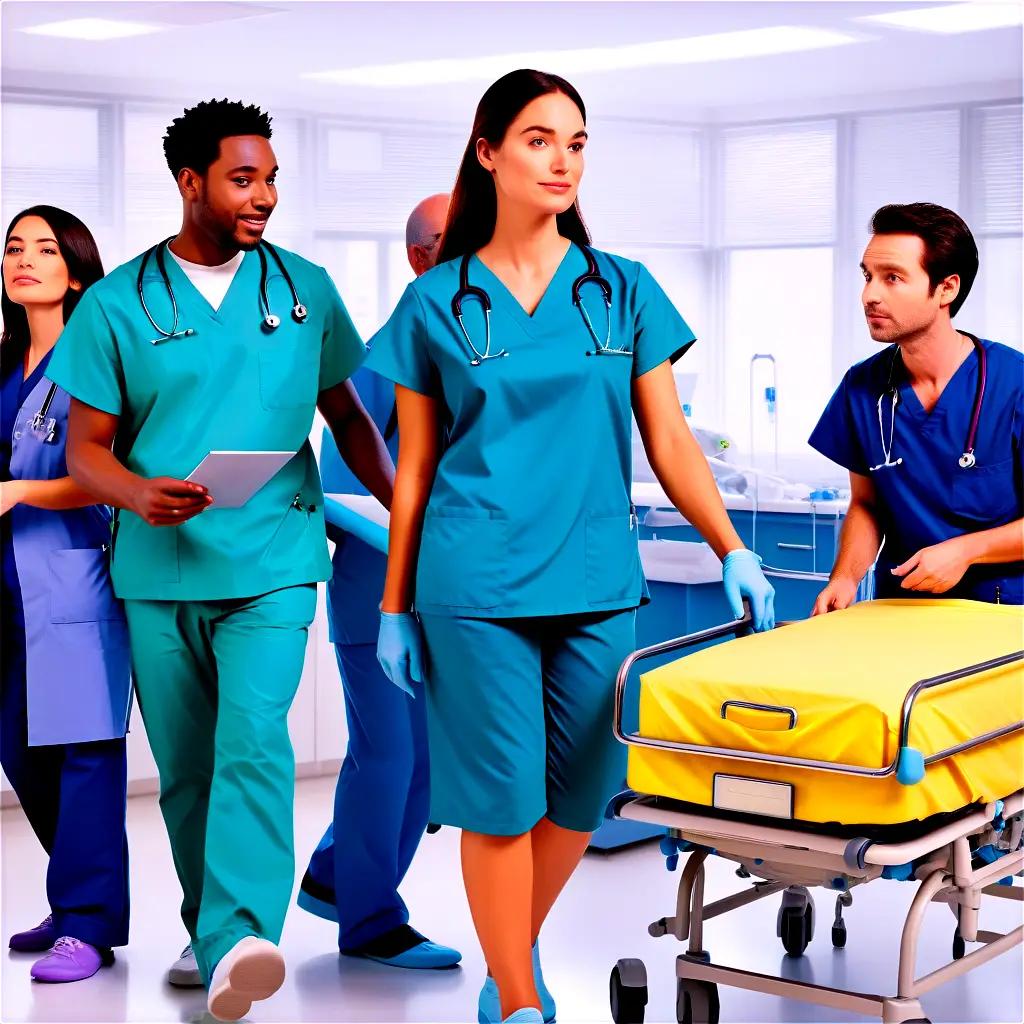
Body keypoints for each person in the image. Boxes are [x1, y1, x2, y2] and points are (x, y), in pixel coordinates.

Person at [363, 69, 775, 1024]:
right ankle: (515, 997)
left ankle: (511, 949)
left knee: (582, 800)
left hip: (596, 575)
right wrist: (394, 606)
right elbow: (414, 467)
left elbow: (668, 440)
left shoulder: (620, 290)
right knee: (500, 800)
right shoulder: (436, 304)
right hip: (476, 582)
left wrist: (729, 548)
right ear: (488, 152)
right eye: (541, 138)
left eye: (578, 142)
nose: (563, 159)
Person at [47, 99, 393, 1021]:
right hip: (160, 569)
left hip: (276, 558)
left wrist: (407, 509)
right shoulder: (120, 302)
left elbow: (348, 417)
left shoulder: (305, 290)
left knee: (251, 740)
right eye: (245, 178)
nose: (265, 195)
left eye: (273, 177)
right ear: (190, 181)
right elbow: (87, 448)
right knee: (189, 767)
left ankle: (244, 931)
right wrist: (134, 492)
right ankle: (217, 937)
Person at [295, 193, 461, 969]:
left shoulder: (467, 340)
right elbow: (339, 489)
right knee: (389, 756)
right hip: (378, 592)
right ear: (421, 254)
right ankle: (368, 920)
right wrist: (413, 534)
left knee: (424, 764)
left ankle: (337, 877)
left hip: (449, 596)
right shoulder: (387, 351)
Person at [0, 206, 131, 983]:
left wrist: (17, 492)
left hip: (74, 578)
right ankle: (76, 893)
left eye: (44, 250)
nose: (24, 261)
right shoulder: (3, 364)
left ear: (75, 270)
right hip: (7, 586)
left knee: (83, 753)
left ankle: (87, 922)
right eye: (13, 249)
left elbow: (99, 473)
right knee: (18, 748)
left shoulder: (96, 362)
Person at [810, 202, 1023, 611]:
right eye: (868, 277)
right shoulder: (862, 386)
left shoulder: (1014, 383)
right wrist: (845, 577)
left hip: (1002, 618)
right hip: (900, 614)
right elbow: (867, 504)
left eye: (893, 278)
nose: (870, 295)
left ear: (946, 288)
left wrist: (966, 551)